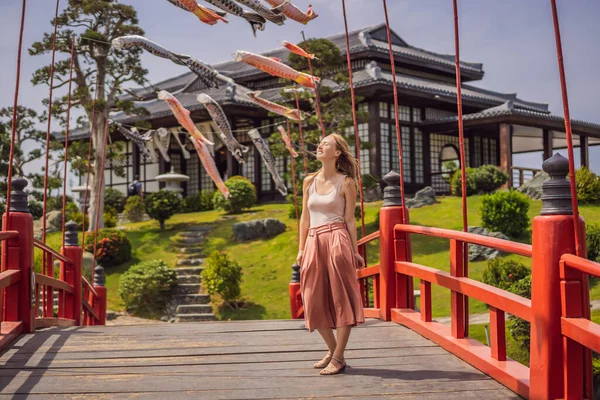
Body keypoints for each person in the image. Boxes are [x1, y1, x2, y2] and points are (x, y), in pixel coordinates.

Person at [296, 133, 366, 376]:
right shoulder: (308, 181)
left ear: (336, 153)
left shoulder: (346, 183)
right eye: (320, 142)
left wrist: (354, 251)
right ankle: (334, 349)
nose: (319, 145)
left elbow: (350, 219)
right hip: (314, 240)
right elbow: (305, 218)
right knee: (311, 297)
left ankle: (337, 357)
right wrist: (301, 248)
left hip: (337, 239)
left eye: (326, 143)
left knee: (341, 297)